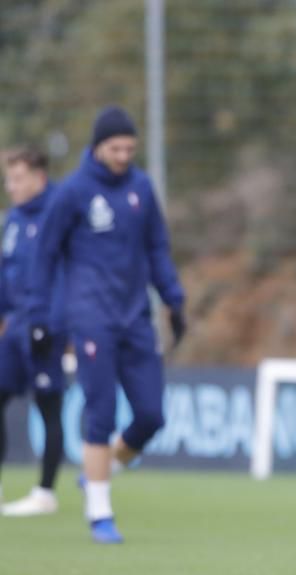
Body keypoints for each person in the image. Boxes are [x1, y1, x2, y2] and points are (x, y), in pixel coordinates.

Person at [29, 106, 186, 543]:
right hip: (91, 318)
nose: (123, 155)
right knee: (99, 412)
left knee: (152, 415)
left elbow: (157, 248)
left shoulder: (140, 187)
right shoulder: (73, 192)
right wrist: (39, 314)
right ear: (98, 147)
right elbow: (44, 257)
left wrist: (174, 299)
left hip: (135, 316)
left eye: (130, 148)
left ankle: (101, 470)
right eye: (116, 148)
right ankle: (100, 512)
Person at [0, 147, 65, 516]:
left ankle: (45, 492)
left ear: (39, 178)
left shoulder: (59, 214)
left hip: (46, 326)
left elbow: (66, 274)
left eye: (18, 178)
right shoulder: (13, 219)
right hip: (14, 325)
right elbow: (5, 269)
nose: (11, 186)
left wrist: (55, 322)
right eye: (9, 179)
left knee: (48, 405)